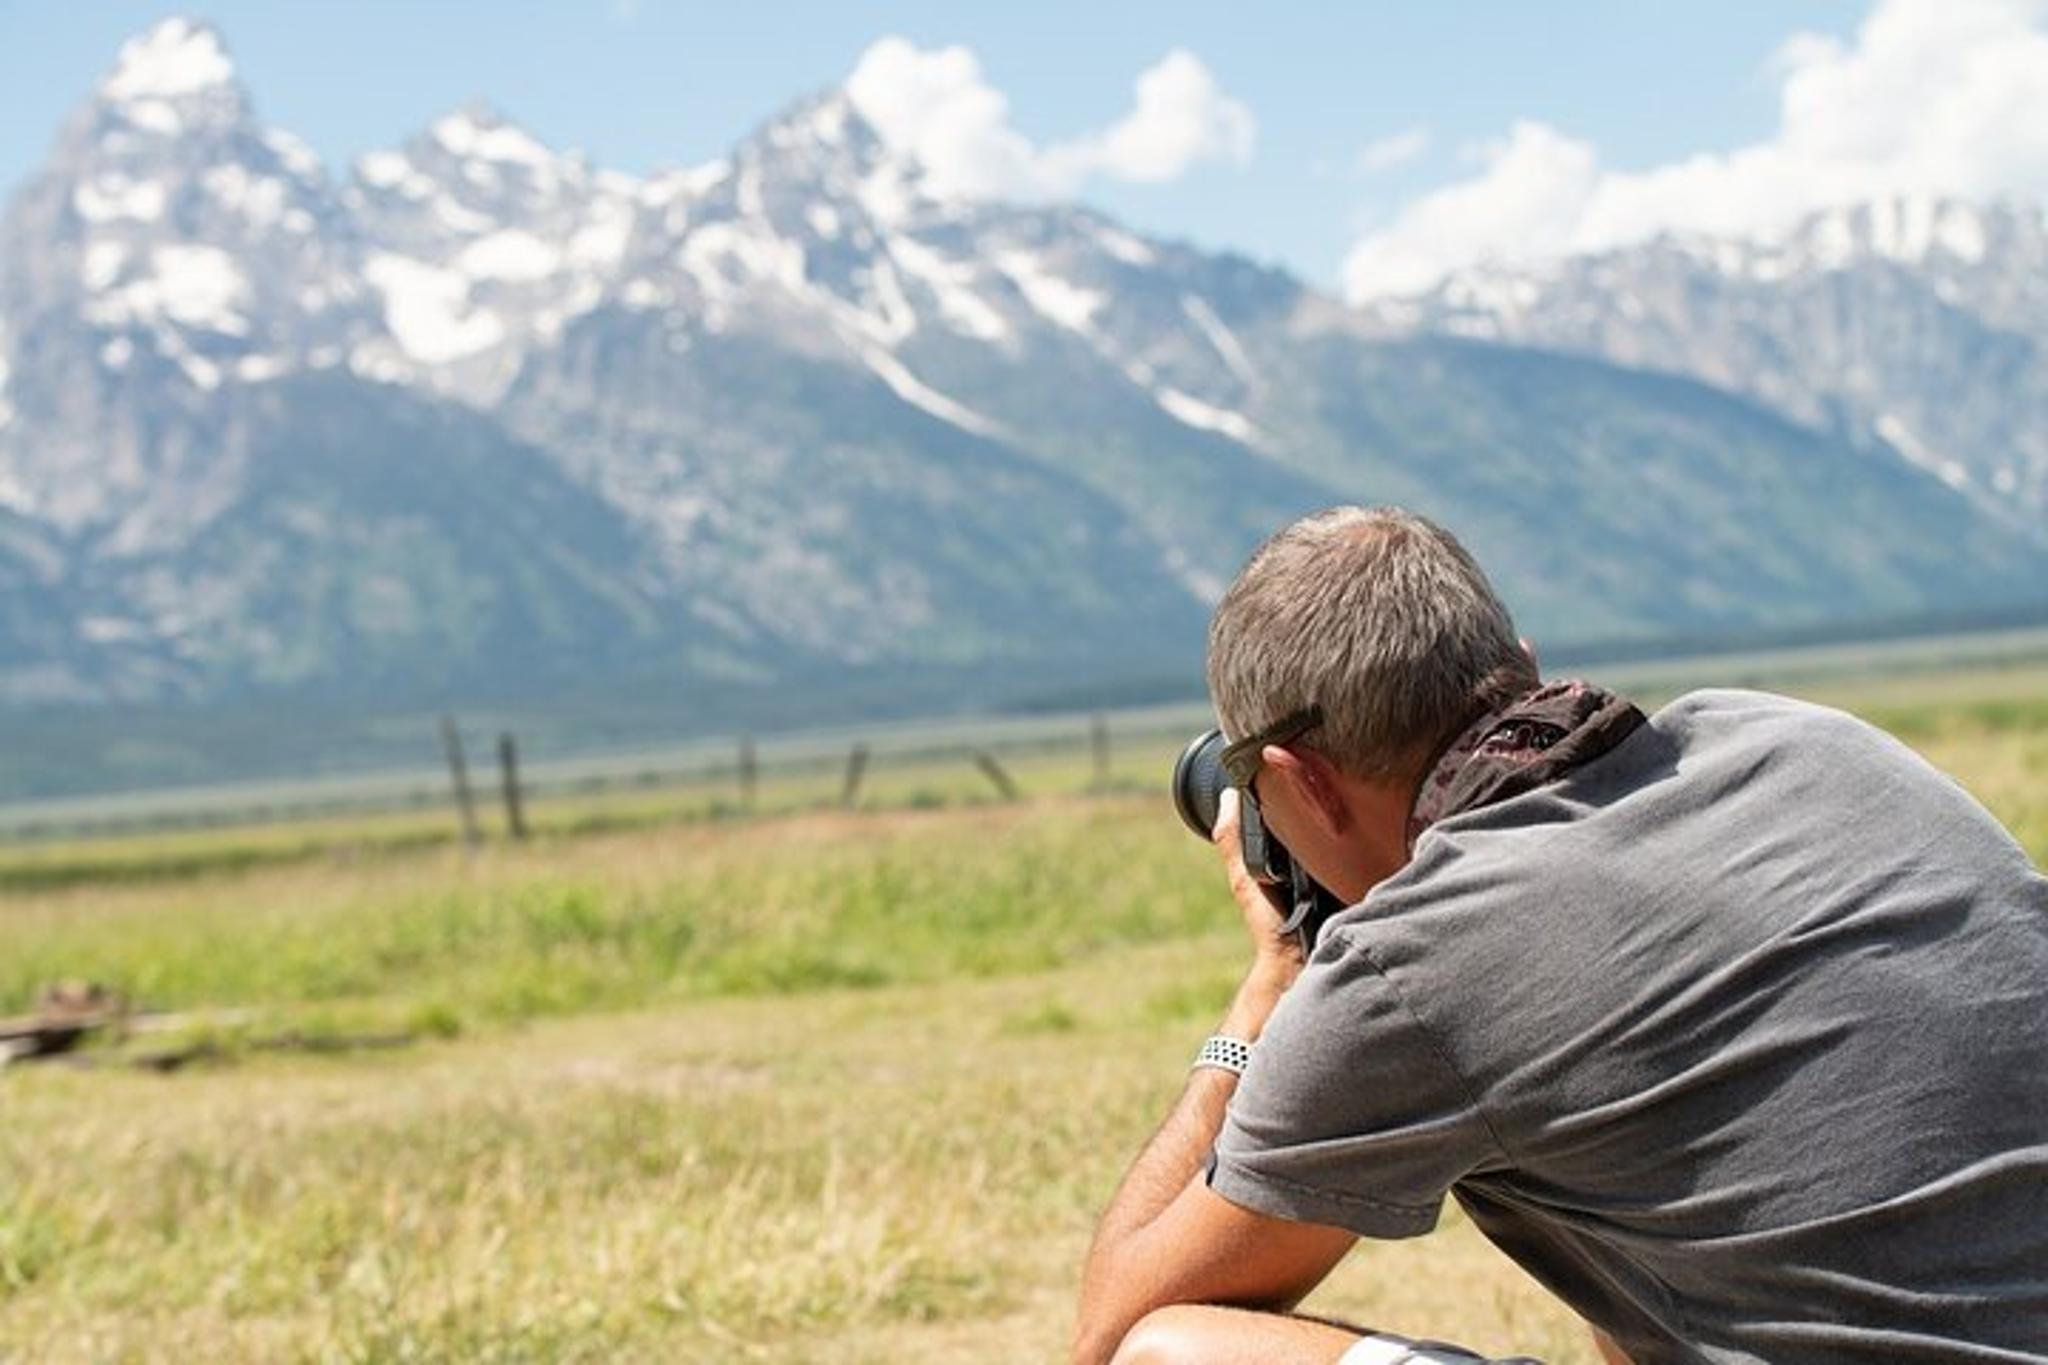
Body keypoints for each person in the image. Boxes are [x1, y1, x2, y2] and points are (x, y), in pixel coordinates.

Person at [1071, 506, 2048, 1365]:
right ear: (1521, 669)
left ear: (1304, 781)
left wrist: (1275, 976)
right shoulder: (1798, 739)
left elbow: (1115, 1336)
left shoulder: (1410, 968)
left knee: (1178, 1354)